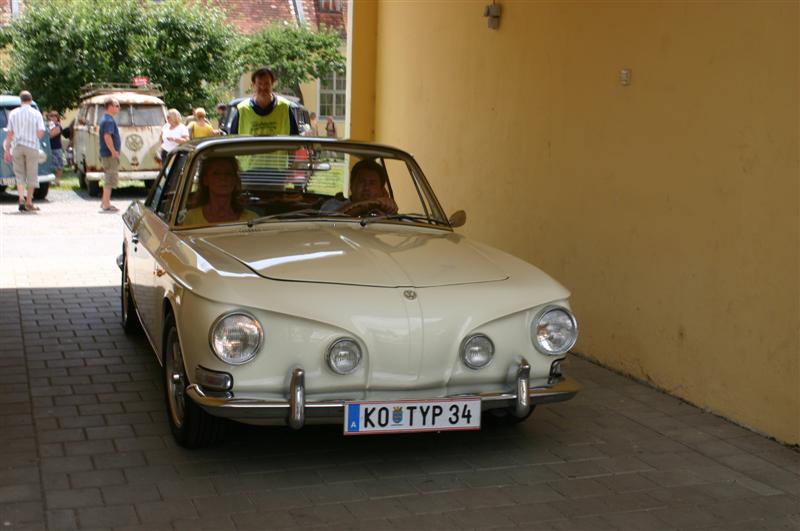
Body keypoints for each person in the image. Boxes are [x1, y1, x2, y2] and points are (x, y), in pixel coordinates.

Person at [2, 91, 45, 212]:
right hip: (31, 146)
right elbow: (41, 131)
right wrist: (35, 136)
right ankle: (29, 202)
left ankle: (21, 199)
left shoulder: (13, 113)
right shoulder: (36, 114)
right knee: (32, 175)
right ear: (30, 100)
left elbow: (9, 133)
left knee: (19, 174)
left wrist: (7, 150)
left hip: (17, 146)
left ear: (21, 101)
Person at [182, 157, 257, 225]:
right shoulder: (191, 218)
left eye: (228, 173)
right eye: (216, 173)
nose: (223, 178)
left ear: (235, 180)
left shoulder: (251, 219)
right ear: (206, 180)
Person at [228, 67, 299, 136]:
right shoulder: (242, 110)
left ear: (272, 84)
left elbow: (295, 139)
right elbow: (232, 141)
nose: (263, 87)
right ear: (253, 85)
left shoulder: (284, 107)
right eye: (259, 84)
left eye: (267, 84)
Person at [321, 159, 398, 216]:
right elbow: (331, 220)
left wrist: (389, 211)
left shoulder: (384, 212)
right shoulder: (332, 205)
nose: (366, 187)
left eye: (372, 183)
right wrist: (367, 204)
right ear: (351, 185)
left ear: (381, 190)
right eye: (361, 181)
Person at [98, 97, 121, 212]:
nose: (118, 108)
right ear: (110, 107)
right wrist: (113, 151)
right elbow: (107, 136)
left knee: (109, 177)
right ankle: (106, 204)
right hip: (109, 154)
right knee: (110, 178)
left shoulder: (107, 119)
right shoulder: (109, 121)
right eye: (116, 106)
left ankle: (104, 202)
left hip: (106, 153)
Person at [47, 111, 65, 187]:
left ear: (57, 118)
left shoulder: (58, 126)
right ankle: (50, 181)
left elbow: (51, 134)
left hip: (57, 148)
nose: (53, 118)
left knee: (59, 165)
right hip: (49, 148)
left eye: (55, 116)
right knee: (50, 166)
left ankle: (57, 181)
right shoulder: (51, 125)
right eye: (51, 116)